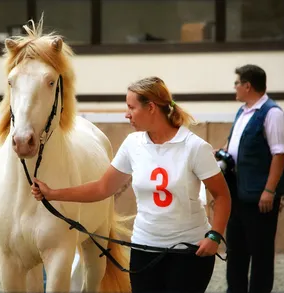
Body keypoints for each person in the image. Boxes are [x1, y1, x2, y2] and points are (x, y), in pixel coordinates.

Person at [31, 76, 231, 293]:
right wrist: (53, 193)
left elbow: (222, 196)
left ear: (151, 108)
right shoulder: (132, 144)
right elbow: (102, 188)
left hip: (188, 253)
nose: (126, 114)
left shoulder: (195, 147)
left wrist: (215, 235)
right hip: (143, 249)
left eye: (131, 107)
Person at [223, 64, 284, 293]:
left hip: (259, 196)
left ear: (247, 86)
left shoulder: (272, 113)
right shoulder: (243, 111)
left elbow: (279, 153)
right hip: (238, 193)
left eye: (237, 83)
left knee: (261, 254)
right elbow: (234, 144)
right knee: (236, 251)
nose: (234, 87)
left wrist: (269, 190)